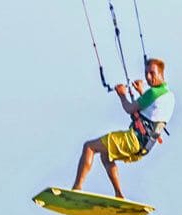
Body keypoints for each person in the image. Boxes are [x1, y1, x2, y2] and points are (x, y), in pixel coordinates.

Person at [72, 58, 176, 199]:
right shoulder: (168, 95)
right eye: (146, 73)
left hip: (132, 140)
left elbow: (129, 108)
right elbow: (151, 112)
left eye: (152, 73)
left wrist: (122, 95)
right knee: (106, 156)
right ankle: (119, 194)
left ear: (161, 74)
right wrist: (141, 92)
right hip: (144, 148)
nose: (148, 77)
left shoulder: (152, 93)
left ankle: (76, 189)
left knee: (89, 147)